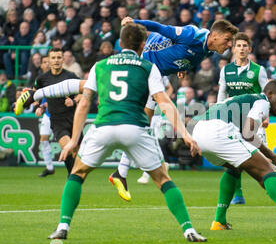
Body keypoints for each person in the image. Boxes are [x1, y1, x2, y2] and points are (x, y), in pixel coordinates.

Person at [16, 17, 239, 197]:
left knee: (143, 119)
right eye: (227, 40)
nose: (229, 45)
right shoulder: (192, 34)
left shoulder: (209, 49)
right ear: (215, 35)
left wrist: (184, 67)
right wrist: (135, 23)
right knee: (91, 86)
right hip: (144, 62)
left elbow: (186, 55)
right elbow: (161, 27)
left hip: (156, 72)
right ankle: (36, 93)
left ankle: (120, 173)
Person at [47, 23, 206, 243]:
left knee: (78, 172)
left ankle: (62, 227)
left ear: (120, 44)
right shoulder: (148, 67)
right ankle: (189, 230)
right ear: (143, 45)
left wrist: (74, 140)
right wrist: (186, 135)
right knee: (162, 179)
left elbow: (84, 104)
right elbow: (165, 103)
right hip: (135, 128)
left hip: (104, 126)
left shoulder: (100, 66)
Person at [191, 81, 276, 234]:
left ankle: (219, 221)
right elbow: (248, 134)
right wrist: (273, 156)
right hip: (218, 131)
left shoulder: (244, 99)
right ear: (269, 94)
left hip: (199, 133)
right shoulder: (262, 102)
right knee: (268, 170)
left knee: (235, 169)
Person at [217, 32, 268, 205]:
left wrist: (265, 116)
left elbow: (267, 94)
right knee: (233, 158)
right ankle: (238, 195)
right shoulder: (226, 70)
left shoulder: (258, 70)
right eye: (238, 45)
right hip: (233, 119)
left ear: (250, 49)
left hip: (253, 118)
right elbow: (222, 92)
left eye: (244, 46)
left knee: (263, 155)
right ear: (233, 49)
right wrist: (218, 112)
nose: (241, 49)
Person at [31, 48, 81, 176]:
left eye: (59, 57)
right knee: (67, 147)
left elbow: (84, 94)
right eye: (53, 58)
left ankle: (74, 175)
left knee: (77, 153)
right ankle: (72, 176)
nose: (56, 60)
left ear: (63, 59)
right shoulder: (42, 79)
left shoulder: (71, 76)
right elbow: (33, 94)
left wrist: (74, 101)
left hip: (74, 119)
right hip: (57, 121)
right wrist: (39, 106)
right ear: (49, 60)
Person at [35, 55, 55, 177]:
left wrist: (43, 105)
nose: (46, 64)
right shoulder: (40, 80)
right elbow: (38, 96)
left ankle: (73, 167)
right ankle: (49, 167)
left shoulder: (56, 77)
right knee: (44, 140)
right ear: (41, 65)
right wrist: (39, 106)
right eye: (44, 62)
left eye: (48, 62)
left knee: (66, 142)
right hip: (47, 114)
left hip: (60, 114)